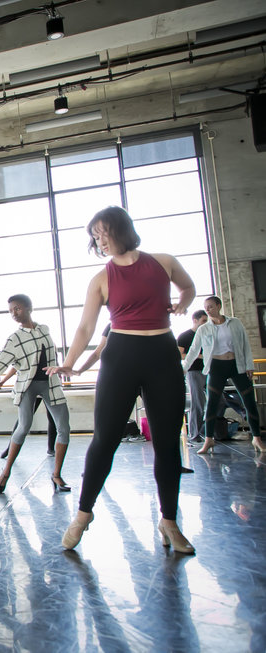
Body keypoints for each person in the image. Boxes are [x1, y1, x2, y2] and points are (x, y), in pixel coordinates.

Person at [47, 206, 196, 554]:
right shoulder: (101, 278)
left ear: (121, 229)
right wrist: (69, 363)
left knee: (166, 441)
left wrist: (182, 304)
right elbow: (85, 327)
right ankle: (83, 515)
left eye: (102, 232)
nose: (99, 240)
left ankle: (169, 521)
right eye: (94, 236)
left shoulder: (163, 262)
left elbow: (188, 287)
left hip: (162, 353)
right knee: (105, 439)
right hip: (121, 356)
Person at [0, 294, 71, 494]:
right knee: (24, 426)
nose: (13, 313)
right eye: (11, 310)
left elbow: (51, 354)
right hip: (27, 386)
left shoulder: (44, 329)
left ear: (29, 308)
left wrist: (60, 368)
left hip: (50, 383)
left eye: (17, 309)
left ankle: (56, 474)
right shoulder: (15, 338)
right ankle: (6, 471)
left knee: (64, 427)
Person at [184, 296, 263, 455]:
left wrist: (249, 366)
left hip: (236, 365)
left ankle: (257, 438)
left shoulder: (235, 323)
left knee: (249, 402)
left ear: (219, 306)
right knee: (212, 404)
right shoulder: (204, 329)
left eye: (211, 306)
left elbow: (245, 344)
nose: (208, 309)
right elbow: (193, 350)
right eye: (206, 307)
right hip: (216, 367)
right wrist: (184, 369)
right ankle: (208, 439)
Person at [0, 366, 58, 458]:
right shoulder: (30, 353)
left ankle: (51, 448)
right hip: (31, 385)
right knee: (23, 420)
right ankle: (10, 448)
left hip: (48, 383)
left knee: (52, 417)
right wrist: (3, 381)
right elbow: (16, 365)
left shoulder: (50, 352)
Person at [177, 310, 209, 444]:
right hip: (193, 371)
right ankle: (195, 434)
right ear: (195, 320)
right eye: (203, 321)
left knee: (219, 401)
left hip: (208, 370)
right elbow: (179, 355)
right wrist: (199, 355)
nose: (205, 324)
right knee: (197, 402)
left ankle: (207, 432)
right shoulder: (185, 336)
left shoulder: (207, 334)